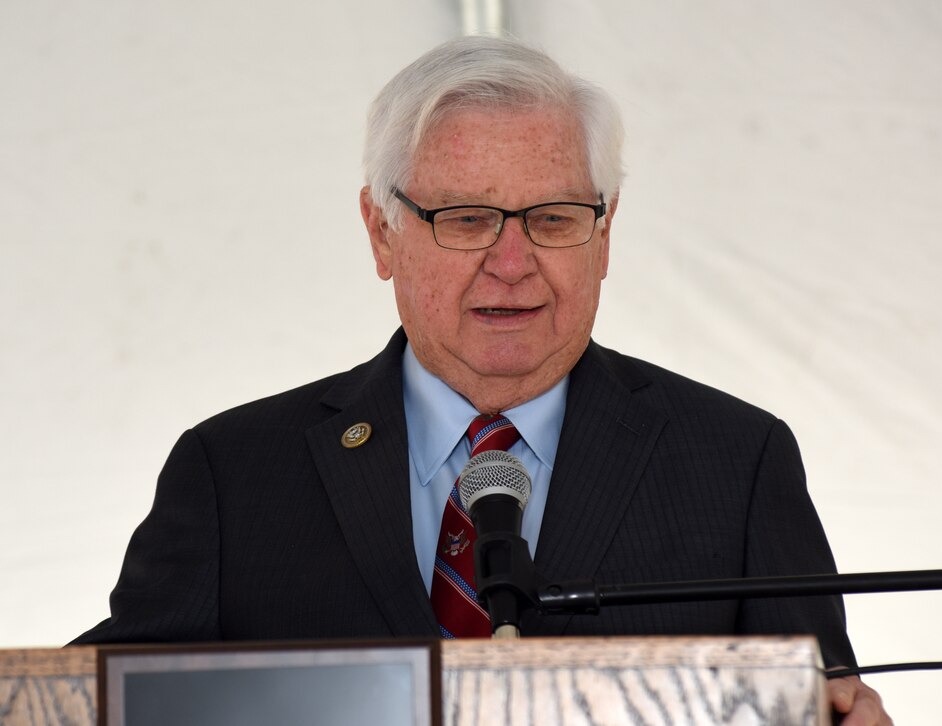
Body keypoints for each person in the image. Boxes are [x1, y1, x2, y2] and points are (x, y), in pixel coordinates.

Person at [73, 36, 890, 724]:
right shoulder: (234, 472)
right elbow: (101, 704)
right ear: (381, 233)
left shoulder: (736, 462)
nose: (512, 264)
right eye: (466, 219)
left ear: (604, 237)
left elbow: (818, 702)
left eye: (554, 219)